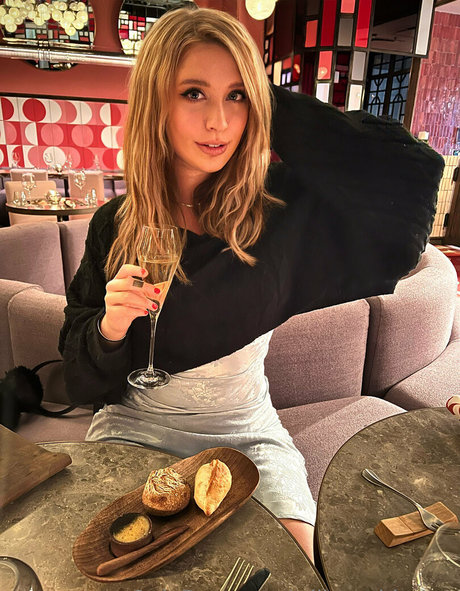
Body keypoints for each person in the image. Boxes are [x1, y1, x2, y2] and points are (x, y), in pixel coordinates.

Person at [59, 7, 443, 562]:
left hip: (245, 434)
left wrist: (267, 105)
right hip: (135, 427)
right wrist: (110, 330)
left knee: (294, 566)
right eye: (194, 93)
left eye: (235, 96)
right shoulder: (113, 225)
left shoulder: (277, 209)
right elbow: (80, 383)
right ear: (154, 103)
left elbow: (409, 175)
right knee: (112, 563)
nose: (218, 121)